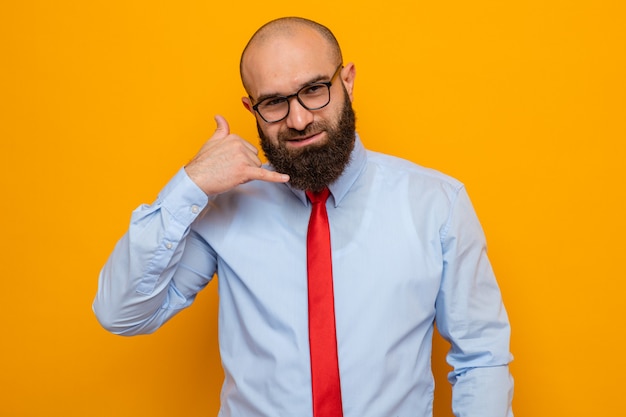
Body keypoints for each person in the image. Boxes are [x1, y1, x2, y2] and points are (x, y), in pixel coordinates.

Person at [93, 16, 514, 417]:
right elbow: (122, 313)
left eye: (314, 90)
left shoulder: (436, 204)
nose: (298, 119)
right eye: (274, 102)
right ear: (251, 108)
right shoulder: (224, 207)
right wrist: (190, 184)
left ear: (346, 81)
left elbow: (481, 357)